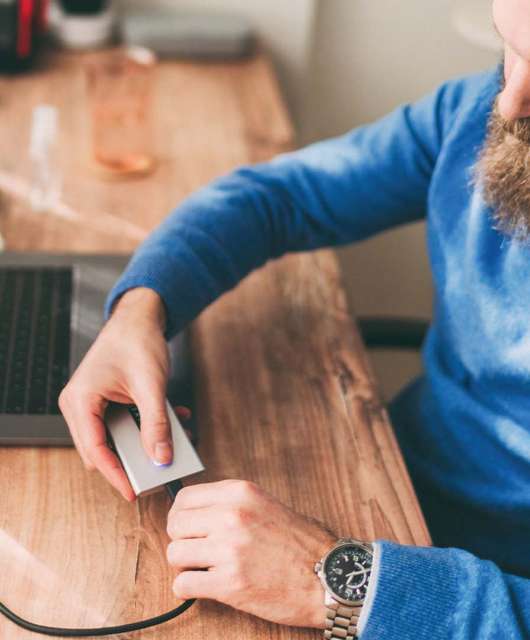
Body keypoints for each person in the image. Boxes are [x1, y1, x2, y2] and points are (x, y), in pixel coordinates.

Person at [58, 0, 530, 637]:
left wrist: (344, 585)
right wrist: (140, 310)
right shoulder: (479, 111)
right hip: (394, 484)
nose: (509, 105)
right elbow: (279, 196)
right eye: (512, 48)